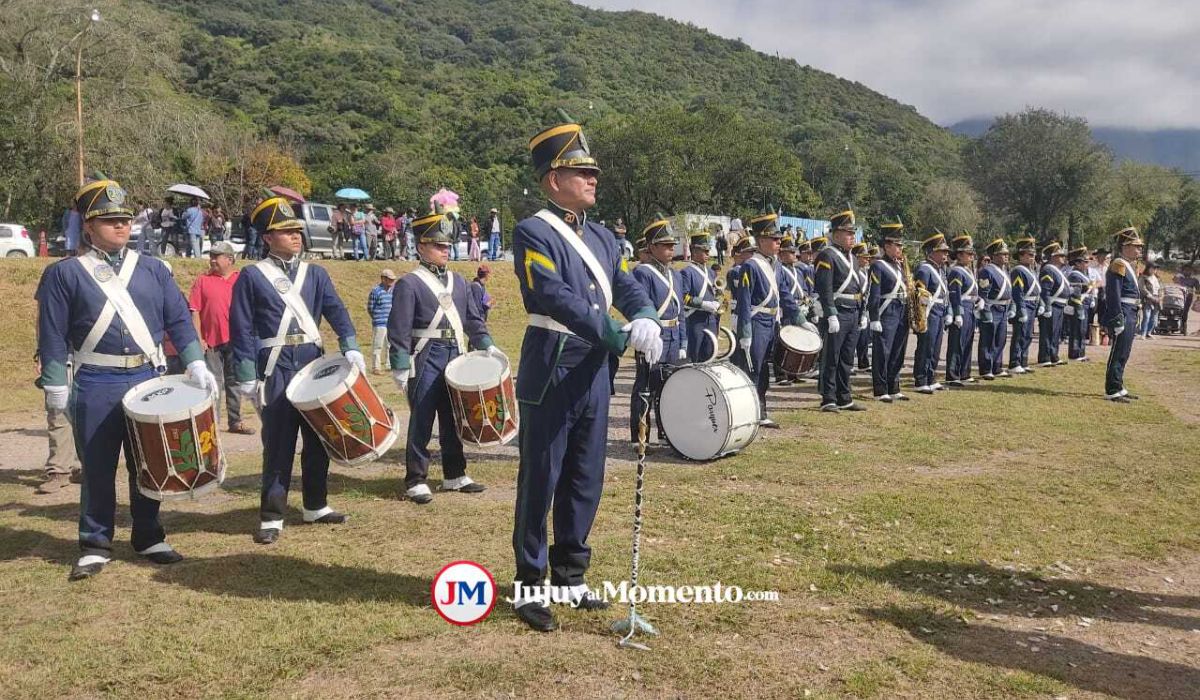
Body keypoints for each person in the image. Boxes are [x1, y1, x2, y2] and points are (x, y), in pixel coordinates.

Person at [509, 120, 661, 632]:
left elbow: (625, 284)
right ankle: (530, 586)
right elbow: (553, 296)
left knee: (584, 476)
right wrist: (614, 333)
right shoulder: (533, 230)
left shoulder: (601, 236)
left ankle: (571, 576)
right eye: (582, 171)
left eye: (593, 171)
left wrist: (644, 316)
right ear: (554, 179)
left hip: (594, 370)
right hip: (553, 363)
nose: (594, 178)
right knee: (540, 479)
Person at [37, 176, 215, 580]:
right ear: (87, 226)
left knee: (149, 463)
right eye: (108, 221)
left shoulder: (153, 269)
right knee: (98, 467)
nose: (120, 226)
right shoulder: (65, 274)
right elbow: (51, 334)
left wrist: (195, 361)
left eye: (124, 219)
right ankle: (94, 543)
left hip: (148, 378)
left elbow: (178, 322)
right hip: (96, 380)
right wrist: (54, 383)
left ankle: (149, 535)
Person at [229, 196, 363, 545]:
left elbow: (337, 311)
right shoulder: (252, 276)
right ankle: (272, 514)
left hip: (313, 363)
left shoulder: (315, 273)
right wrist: (245, 371)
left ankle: (315, 504)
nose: (295, 236)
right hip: (277, 367)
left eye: (296, 230)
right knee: (279, 443)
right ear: (267, 237)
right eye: (285, 231)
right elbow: (241, 327)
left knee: (319, 439)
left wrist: (350, 344)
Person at [388, 213, 497, 504]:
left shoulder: (459, 282)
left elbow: (473, 319)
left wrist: (486, 344)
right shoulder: (409, 283)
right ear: (421, 247)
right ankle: (415, 479)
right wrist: (399, 364)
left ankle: (454, 474)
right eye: (438, 246)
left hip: (455, 355)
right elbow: (398, 327)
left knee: (454, 419)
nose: (445, 250)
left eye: (448, 246)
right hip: (426, 355)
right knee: (422, 420)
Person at [734, 212, 800, 426]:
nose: (778, 242)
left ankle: (761, 411)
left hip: (772, 323)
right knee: (753, 370)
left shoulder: (778, 266)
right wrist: (745, 332)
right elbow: (744, 302)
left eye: (779, 239)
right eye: (774, 239)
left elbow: (785, 295)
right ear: (761, 240)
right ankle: (749, 412)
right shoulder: (751, 266)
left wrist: (799, 318)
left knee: (764, 371)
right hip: (756, 322)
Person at [630, 219, 687, 442]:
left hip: (673, 337)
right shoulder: (643, 273)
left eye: (672, 245)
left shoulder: (676, 275)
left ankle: (667, 433)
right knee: (645, 388)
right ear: (651, 247)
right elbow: (639, 307)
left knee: (669, 388)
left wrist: (683, 343)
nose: (671, 249)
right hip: (654, 337)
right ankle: (640, 437)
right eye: (665, 245)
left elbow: (680, 312)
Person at [189, 241, 253, 435]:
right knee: (213, 383)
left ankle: (235, 421)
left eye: (217, 256)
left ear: (230, 259)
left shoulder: (241, 278)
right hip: (211, 341)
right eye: (211, 256)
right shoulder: (202, 280)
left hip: (236, 340)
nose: (212, 260)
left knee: (234, 382)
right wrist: (199, 338)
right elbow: (195, 311)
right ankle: (213, 424)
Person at [33, 268, 82, 494]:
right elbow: (42, 316)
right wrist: (42, 351)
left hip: (94, 353)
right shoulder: (54, 272)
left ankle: (86, 467)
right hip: (60, 353)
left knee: (90, 411)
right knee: (57, 410)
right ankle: (59, 470)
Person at [815, 210, 866, 413]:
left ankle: (844, 397)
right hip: (838, 312)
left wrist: (862, 313)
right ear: (835, 234)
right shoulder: (827, 255)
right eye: (847, 233)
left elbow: (858, 288)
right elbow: (824, 288)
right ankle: (828, 397)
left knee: (847, 358)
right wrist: (831, 313)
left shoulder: (853, 258)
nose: (852, 236)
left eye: (853, 233)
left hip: (853, 311)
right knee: (831, 357)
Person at [866, 222, 910, 402]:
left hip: (901, 311)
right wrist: (874, 317)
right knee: (882, 352)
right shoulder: (878, 266)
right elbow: (874, 294)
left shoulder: (900, 266)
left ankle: (894, 386)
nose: (900, 248)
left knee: (898, 351)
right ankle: (880, 389)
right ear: (887, 246)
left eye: (901, 245)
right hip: (887, 312)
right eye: (897, 245)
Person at [1102, 227, 1144, 402]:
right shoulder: (1118, 264)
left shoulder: (1128, 265)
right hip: (1123, 312)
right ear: (1125, 246)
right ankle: (1112, 388)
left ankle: (1118, 385)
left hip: (1131, 311)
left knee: (1124, 352)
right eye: (1136, 246)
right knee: (1118, 351)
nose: (1139, 249)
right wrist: (1117, 317)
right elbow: (1114, 294)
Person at [913, 232, 950, 394]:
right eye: (942, 251)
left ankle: (931, 376)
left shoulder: (941, 270)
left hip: (940, 312)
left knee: (935, 348)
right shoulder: (924, 269)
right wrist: (920, 318)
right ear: (931, 252)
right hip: (928, 313)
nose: (945, 254)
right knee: (925, 347)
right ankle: (921, 379)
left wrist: (947, 311)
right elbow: (920, 295)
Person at [976, 238, 1013, 380]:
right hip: (992, 307)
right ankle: (986, 368)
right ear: (994, 256)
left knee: (1000, 339)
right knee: (988, 339)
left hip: (1003, 307)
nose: (1006, 256)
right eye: (1003, 254)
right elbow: (983, 293)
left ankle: (997, 366)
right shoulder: (987, 271)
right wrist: (985, 311)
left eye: (1007, 254)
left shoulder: (1005, 271)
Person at [945, 234, 979, 387]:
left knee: (967, 342)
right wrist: (957, 313)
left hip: (971, 308)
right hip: (961, 308)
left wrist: (979, 300)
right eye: (968, 253)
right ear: (959, 254)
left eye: (972, 253)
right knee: (957, 344)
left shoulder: (968, 271)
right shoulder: (956, 271)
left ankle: (964, 372)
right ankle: (952, 375)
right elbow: (955, 294)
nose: (971, 256)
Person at [681, 232, 721, 362]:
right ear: (694, 251)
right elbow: (684, 298)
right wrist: (703, 304)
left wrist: (718, 302)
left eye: (708, 250)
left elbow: (718, 292)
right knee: (695, 356)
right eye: (704, 251)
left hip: (711, 320)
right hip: (695, 320)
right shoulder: (687, 272)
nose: (707, 254)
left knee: (710, 354)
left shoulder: (711, 272)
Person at [1007, 237, 1041, 375]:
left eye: (1033, 255)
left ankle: (1023, 361)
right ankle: (1015, 362)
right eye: (1030, 254)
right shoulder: (1018, 270)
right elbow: (1018, 291)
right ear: (1021, 255)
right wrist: (1021, 308)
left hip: (1032, 304)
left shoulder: (1031, 270)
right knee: (1019, 335)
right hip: (1024, 304)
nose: (1033, 257)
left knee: (1028, 335)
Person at [1037, 241, 1070, 366]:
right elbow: (1046, 290)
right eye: (1060, 256)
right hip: (1052, 304)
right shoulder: (1048, 270)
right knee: (1048, 332)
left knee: (1056, 332)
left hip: (1059, 305)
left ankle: (1053, 355)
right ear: (1053, 257)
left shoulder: (1056, 270)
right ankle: (1045, 357)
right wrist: (1047, 306)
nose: (1063, 258)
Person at [1065, 246, 1093, 361]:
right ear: (1077, 263)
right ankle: (1075, 353)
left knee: (1082, 330)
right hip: (1078, 305)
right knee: (1076, 330)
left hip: (1084, 305)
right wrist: (1079, 306)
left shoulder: (1083, 274)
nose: (1087, 264)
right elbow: (1075, 293)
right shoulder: (1074, 275)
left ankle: (1081, 353)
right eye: (1085, 262)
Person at [367, 269, 397, 374]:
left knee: (389, 345)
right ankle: (376, 367)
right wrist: (376, 318)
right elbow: (370, 307)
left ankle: (389, 365)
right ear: (383, 279)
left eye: (393, 280)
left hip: (390, 323)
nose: (392, 282)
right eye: (390, 279)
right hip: (380, 323)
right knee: (378, 345)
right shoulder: (376, 291)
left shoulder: (393, 291)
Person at [854, 243, 874, 372]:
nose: (867, 259)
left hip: (864, 307)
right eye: (864, 257)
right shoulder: (854, 271)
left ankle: (863, 362)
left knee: (864, 338)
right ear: (856, 257)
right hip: (855, 306)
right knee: (853, 338)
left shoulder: (865, 272)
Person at [1089, 248, 1109, 345]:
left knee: (1103, 313)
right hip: (1095, 290)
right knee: (1092, 311)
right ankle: (1089, 333)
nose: (1104, 258)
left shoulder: (1108, 268)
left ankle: (1102, 333)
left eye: (1105, 256)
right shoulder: (1092, 267)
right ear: (1098, 256)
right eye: (1102, 255)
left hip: (1105, 290)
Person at [1138, 261, 1162, 339]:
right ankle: (1143, 333)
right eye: (1153, 268)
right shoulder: (1143, 277)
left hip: (1157, 299)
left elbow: (1160, 289)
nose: (1154, 270)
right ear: (1148, 268)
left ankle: (1149, 332)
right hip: (1147, 299)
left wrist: (1160, 297)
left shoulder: (1157, 278)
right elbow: (1142, 288)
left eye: (1155, 268)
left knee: (1154, 318)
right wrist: (1151, 297)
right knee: (1147, 316)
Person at [1174, 265, 1198, 334]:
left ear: (1192, 271)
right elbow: (1174, 283)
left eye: (1189, 270)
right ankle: (1175, 325)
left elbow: (1198, 289)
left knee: (1185, 312)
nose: (1187, 271)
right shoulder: (1180, 278)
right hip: (1179, 297)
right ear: (1183, 271)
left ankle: (1183, 327)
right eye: (1185, 270)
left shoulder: (1194, 280)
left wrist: (1192, 291)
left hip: (1188, 298)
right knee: (1178, 310)